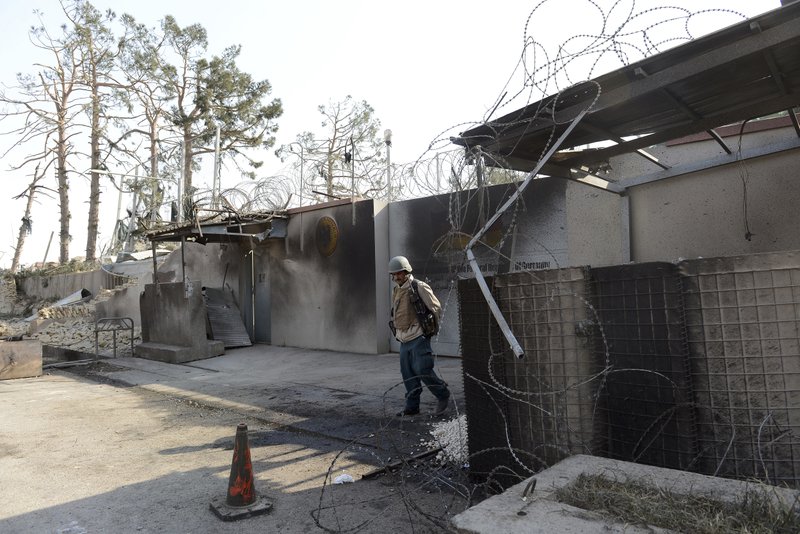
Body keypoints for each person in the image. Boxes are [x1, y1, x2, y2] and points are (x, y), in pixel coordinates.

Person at [388, 255, 451, 417]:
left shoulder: (419, 286)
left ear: (407, 271)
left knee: (422, 369)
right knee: (407, 373)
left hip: (418, 337)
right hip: (404, 339)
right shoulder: (397, 290)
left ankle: (442, 395)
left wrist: (428, 330)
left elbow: (435, 307)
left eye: (399, 273)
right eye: (393, 275)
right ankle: (412, 406)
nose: (396, 277)